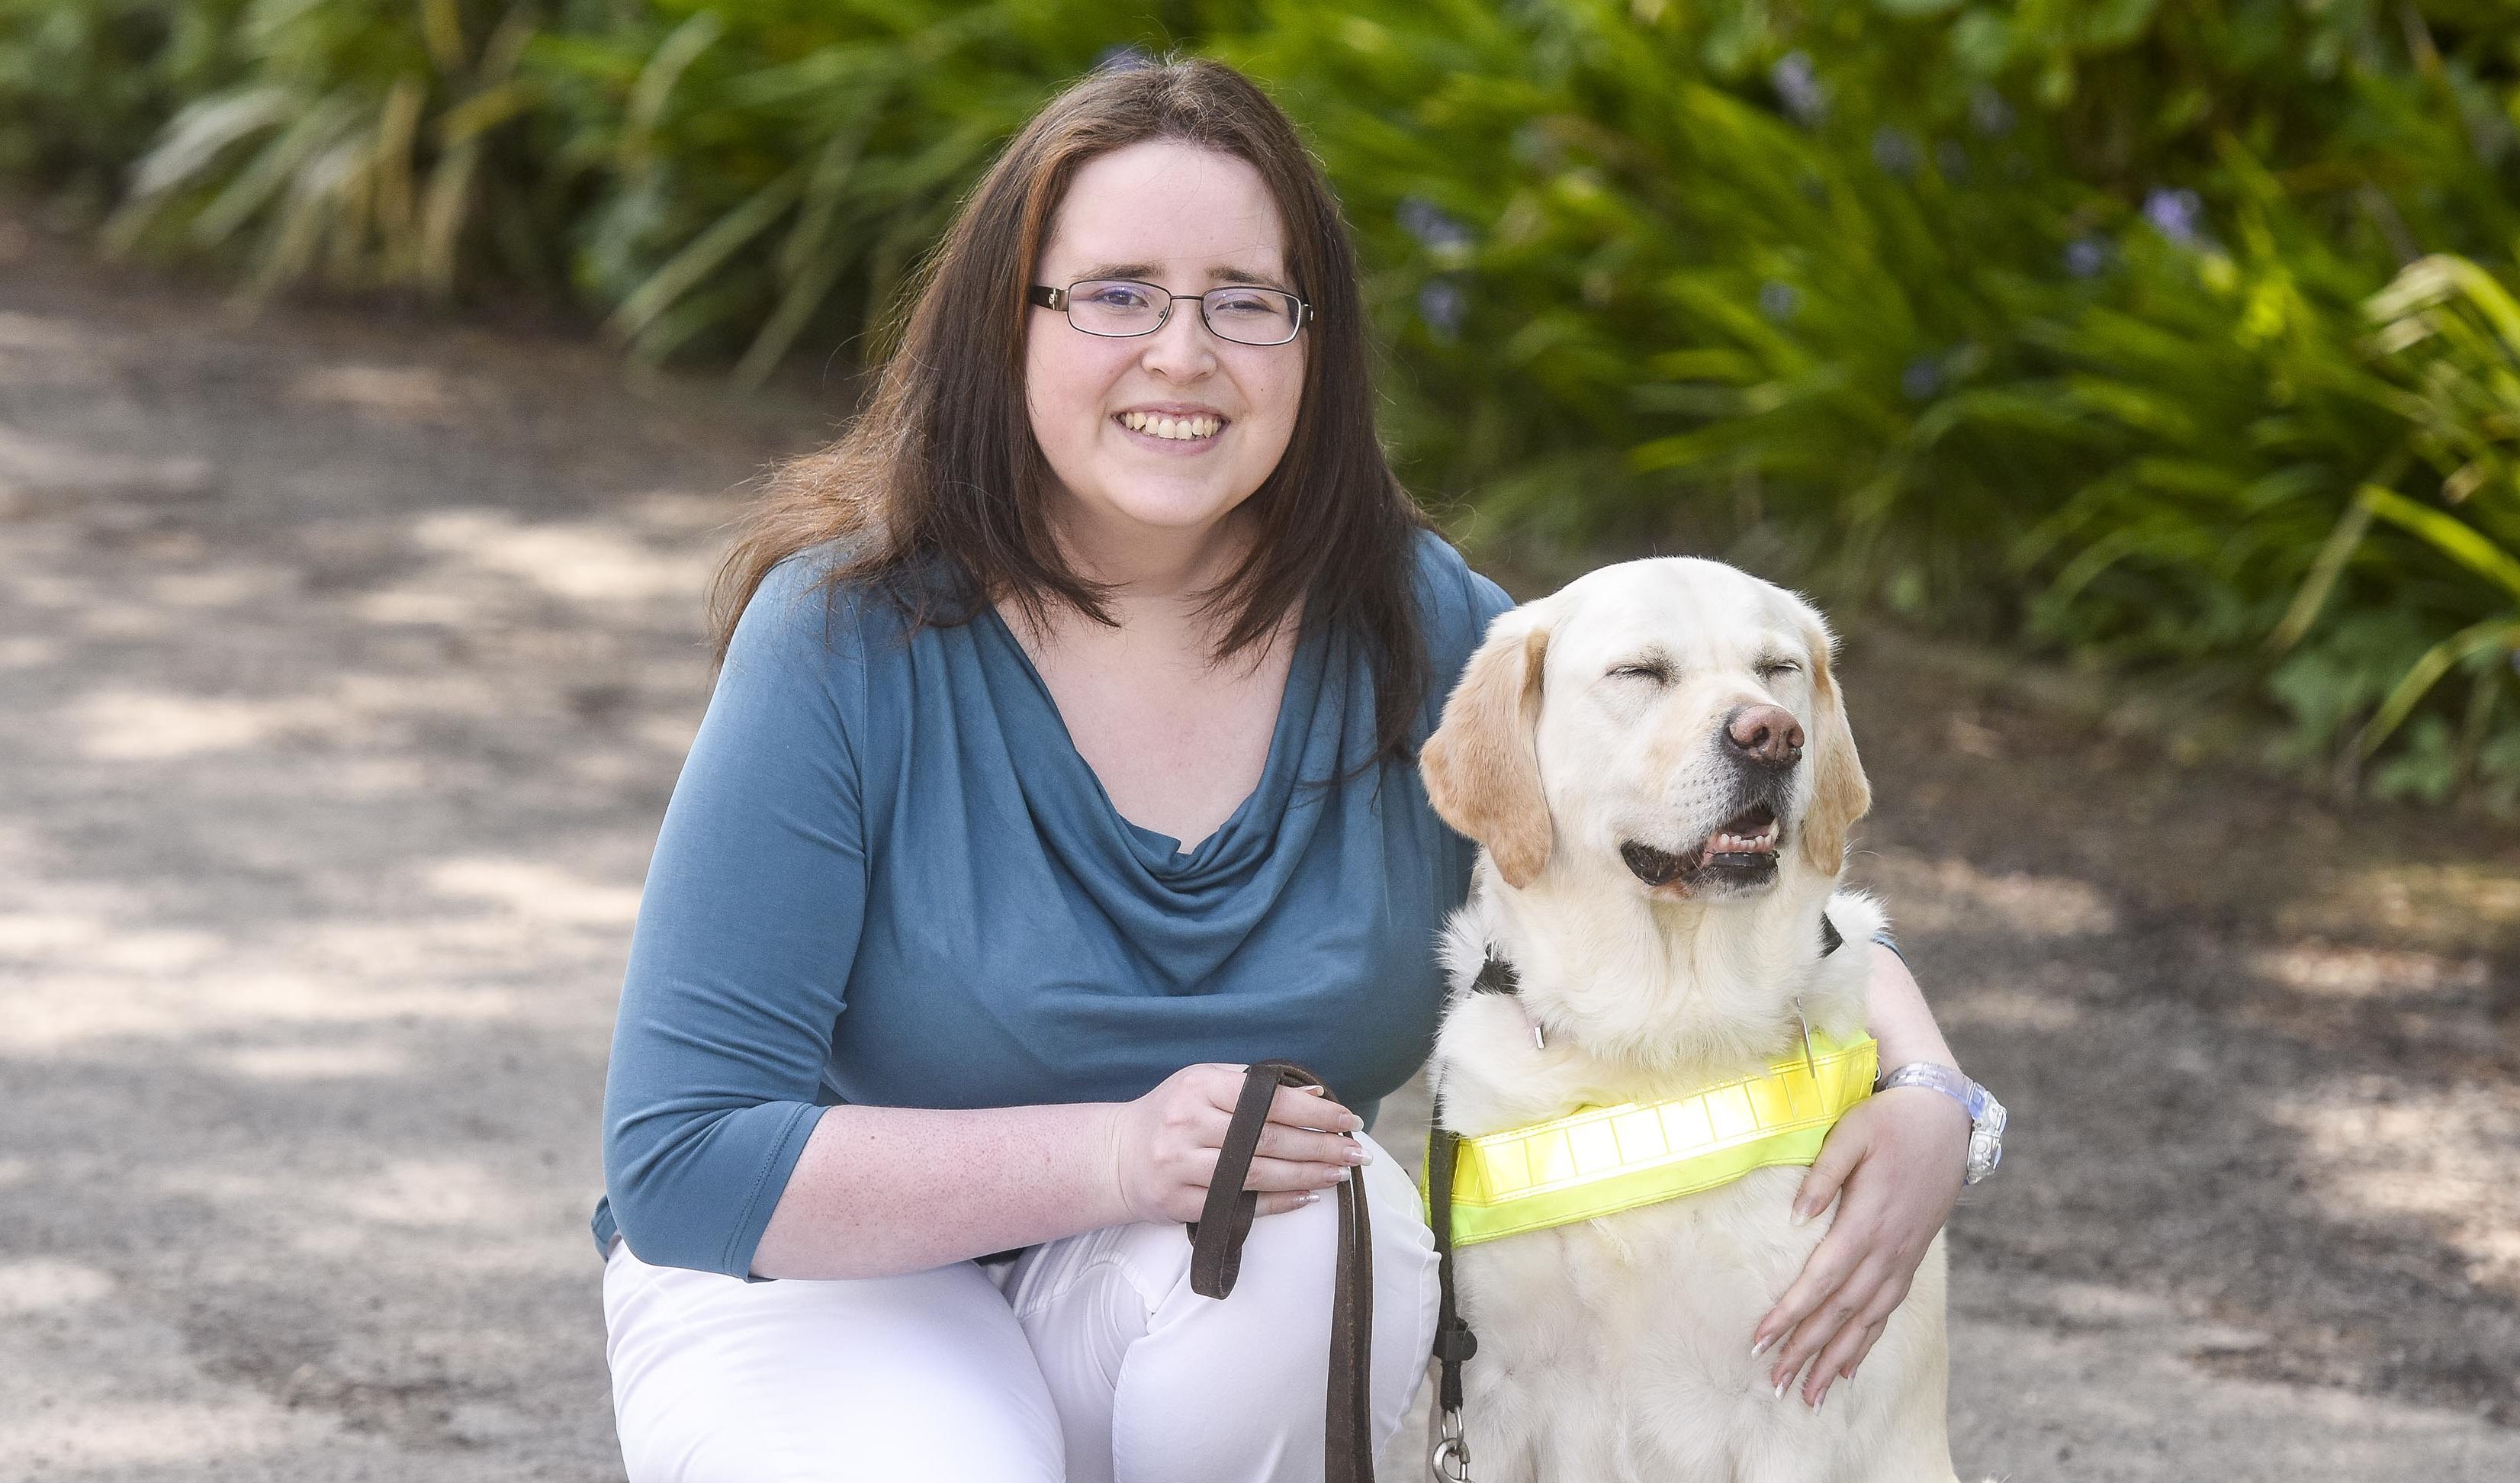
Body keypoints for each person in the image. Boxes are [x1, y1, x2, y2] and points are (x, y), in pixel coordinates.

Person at [593, 56, 1973, 1483]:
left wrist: (1933, 1097)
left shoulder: (1427, 633)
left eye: (1245, 301)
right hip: (827, 1287)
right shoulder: (846, 632)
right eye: (1118, 292)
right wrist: (1118, 1159)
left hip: (1176, 1292)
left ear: (1313, 347)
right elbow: (686, 1158)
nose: (1183, 353)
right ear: (1008, 327)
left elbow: (1701, 849)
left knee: (1332, 1217)